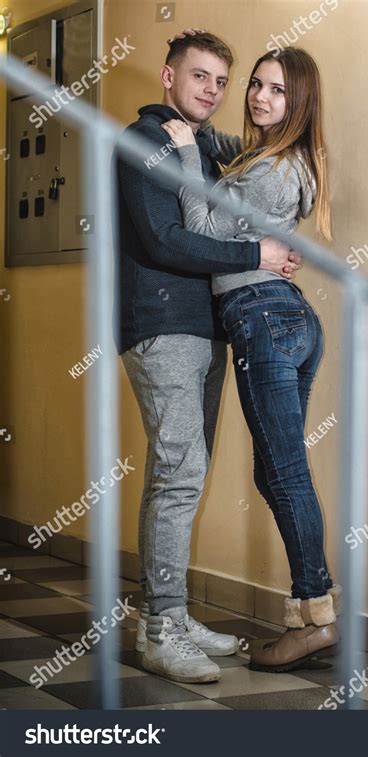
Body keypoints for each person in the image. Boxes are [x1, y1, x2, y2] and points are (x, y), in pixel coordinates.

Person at [114, 31, 302, 684]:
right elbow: (167, 240)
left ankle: (169, 610)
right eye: (200, 77)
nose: (213, 91)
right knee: (180, 470)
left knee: (184, 473)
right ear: (168, 78)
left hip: (205, 329)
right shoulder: (145, 141)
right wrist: (259, 256)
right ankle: (161, 629)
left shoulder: (199, 146)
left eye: (222, 81)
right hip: (162, 326)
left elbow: (248, 171)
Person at [161, 43, 343, 673]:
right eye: (257, 86)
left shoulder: (270, 168)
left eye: (278, 91)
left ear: (300, 102)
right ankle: (315, 608)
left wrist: (185, 151)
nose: (261, 98)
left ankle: (314, 614)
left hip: (263, 317)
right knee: (278, 472)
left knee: (285, 474)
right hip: (286, 316)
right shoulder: (273, 158)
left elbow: (202, 234)